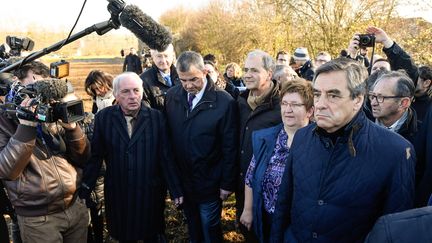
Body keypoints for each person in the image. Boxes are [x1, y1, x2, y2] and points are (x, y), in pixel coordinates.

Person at [270, 58, 415, 243]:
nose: (320, 104)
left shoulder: (397, 152)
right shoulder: (302, 137)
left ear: (358, 100)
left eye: (333, 95)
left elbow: (396, 231)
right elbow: (283, 203)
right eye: (317, 94)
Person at [81, 72, 183, 242]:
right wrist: (85, 187)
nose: (132, 96)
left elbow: (165, 157)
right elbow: (96, 156)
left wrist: (175, 189)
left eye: (136, 90)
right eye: (126, 92)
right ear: (115, 95)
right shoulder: (104, 118)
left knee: (152, 234)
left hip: (149, 191)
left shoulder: (156, 118)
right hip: (118, 191)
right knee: (123, 235)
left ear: (142, 91)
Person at [0, 74, 90, 242]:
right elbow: (7, 171)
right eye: (26, 91)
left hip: (74, 206)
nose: (32, 98)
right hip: (38, 219)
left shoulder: (47, 109)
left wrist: (72, 129)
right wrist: (26, 127)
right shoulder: (3, 122)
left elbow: (83, 158)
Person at [164, 51, 238, 243]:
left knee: (210, 227)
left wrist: (227, 183)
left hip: (210, 183)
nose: (188, 85)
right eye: (183, 80)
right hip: (184, 182)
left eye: (194, 79)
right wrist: (174, 185)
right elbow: (169, 144)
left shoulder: (224, 102)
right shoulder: (171, 97)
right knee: (194, 228)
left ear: (205, 71)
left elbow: (230, 147)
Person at [240, 79, 314, 242]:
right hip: (266, 217)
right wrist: (247, 209)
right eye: (285, 103)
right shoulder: (265, 139)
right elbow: (250, 176)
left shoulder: (318, 143)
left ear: (309, 111)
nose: (288, 110)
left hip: (298, 223)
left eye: (295, 105)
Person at [236, 50, 281, 242]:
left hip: (269, 191)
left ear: (269, 74)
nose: (247, 74)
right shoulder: (240, 102)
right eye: (246, 69)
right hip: (242, 184)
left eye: (254, 70)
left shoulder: (282, 107)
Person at [140, 43, 179, 110]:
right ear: (153, 57)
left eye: (166, 56)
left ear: (172, 56)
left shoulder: (182, 76)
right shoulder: (144, 80)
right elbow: (146, 112)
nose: (163, 61)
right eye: (159, 56)